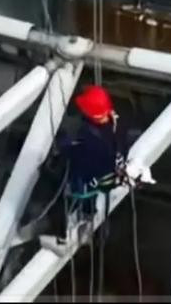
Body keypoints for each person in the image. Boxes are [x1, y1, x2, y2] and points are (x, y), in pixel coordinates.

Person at [48, 87, 152, 245]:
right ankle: (86, 220)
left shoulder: (91, 138)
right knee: (88, 195)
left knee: (73, 193)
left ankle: (63, 230)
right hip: (110, 168)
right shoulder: (116, 121)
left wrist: (64, 147)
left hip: (92, 174)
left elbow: (82, 156)